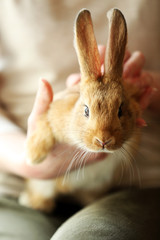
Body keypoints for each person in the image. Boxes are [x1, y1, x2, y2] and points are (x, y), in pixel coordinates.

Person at [0, 0, 160, 239]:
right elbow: (43, 133)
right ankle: (39, 195)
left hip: (128, 185)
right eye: (87, 112)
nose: (103, 137)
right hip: (14, 184)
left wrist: (149, 86)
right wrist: (26, 160)